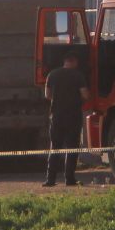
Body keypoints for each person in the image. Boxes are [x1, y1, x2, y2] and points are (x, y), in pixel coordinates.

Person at [43, 51, 86, 187]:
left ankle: (50, 180)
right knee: (72, 148)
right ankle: (69, 179)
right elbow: (85, 94)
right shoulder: (78, 75)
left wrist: (58, 100)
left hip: (57, 116)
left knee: (55, 147)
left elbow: (47, 95)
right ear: (73, 62)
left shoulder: (52, 74)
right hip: (73, 116)